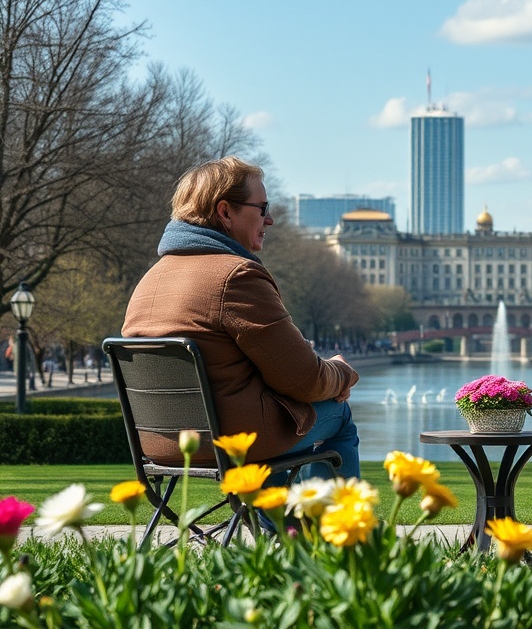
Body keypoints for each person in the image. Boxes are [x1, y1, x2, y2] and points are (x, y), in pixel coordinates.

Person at [122, 157, 360, 480]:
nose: (270, 220)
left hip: (158, 443)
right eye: (262, 208)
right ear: (225, 212)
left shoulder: (148, 281)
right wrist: (342, 373)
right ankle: (331, 527)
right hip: (232, 442)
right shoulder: (237, 276)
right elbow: (304, 380)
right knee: (338, 415)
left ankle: (281, 523)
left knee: (281, 417)